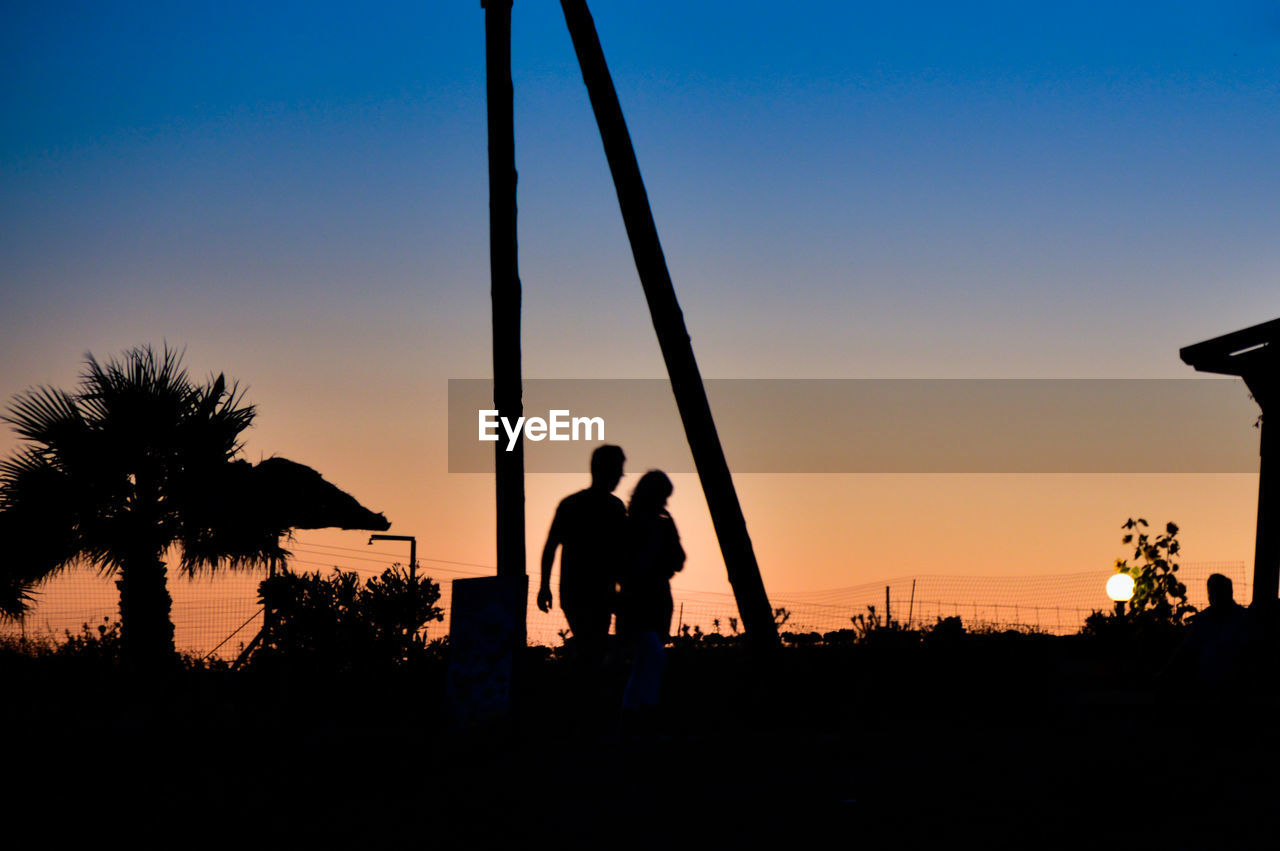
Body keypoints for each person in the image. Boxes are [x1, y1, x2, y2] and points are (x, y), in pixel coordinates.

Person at [538, 445, 627, 664]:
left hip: (579, 593)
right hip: (593, 593)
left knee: (592, 650)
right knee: (593, 650)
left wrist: (545, 586)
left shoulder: (571, 504)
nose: (620, 477)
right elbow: (623, 553)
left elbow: (550, 548)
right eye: (618, 470)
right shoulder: (613, 508)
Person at [618, 470, 685, 713]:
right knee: (652, 658)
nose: (665, 502)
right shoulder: (646, 524)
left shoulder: (640, 523)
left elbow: (678, 559)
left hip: (651, 600)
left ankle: (636, 713)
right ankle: (641, 711)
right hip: (640, 602)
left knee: (645, 662)